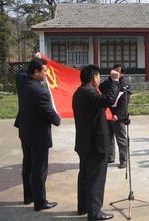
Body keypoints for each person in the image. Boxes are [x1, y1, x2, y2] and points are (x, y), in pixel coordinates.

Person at [72, 65, 120, 221]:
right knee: (96, 179)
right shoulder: (89, 93)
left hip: (84, 142)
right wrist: (114, 81)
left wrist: (110, 82)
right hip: (96, 143)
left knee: (85, 176)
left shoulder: (79, 92)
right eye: (99, 76)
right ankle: (95, 212)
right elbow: (108, 100)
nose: (100, 79)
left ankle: (84, 207)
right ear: (93, 78)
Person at [15, 58, 61, 211]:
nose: (46, 74)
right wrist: (58, 118)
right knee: (39, 169)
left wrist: (35, 59)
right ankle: (40, 202)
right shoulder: (39, 92)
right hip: (38, 135)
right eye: (44, 71)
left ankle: (28, 196)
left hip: (25, 131)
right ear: (36, 72)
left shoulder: (22, 81)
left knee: (28, 165)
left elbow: (21, 72)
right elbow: (52, 116)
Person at [100, 64, 130, 169]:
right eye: (113, 70)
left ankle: (124, 160)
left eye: (118, 71)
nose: (115, 72)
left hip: (118, 116)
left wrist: (117, 114)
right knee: (108, 138)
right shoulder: (105, 83)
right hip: (107, 114)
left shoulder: (124, 84)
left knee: (121, 139)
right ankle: (110, 157)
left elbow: (124, 102)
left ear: (121, 74)